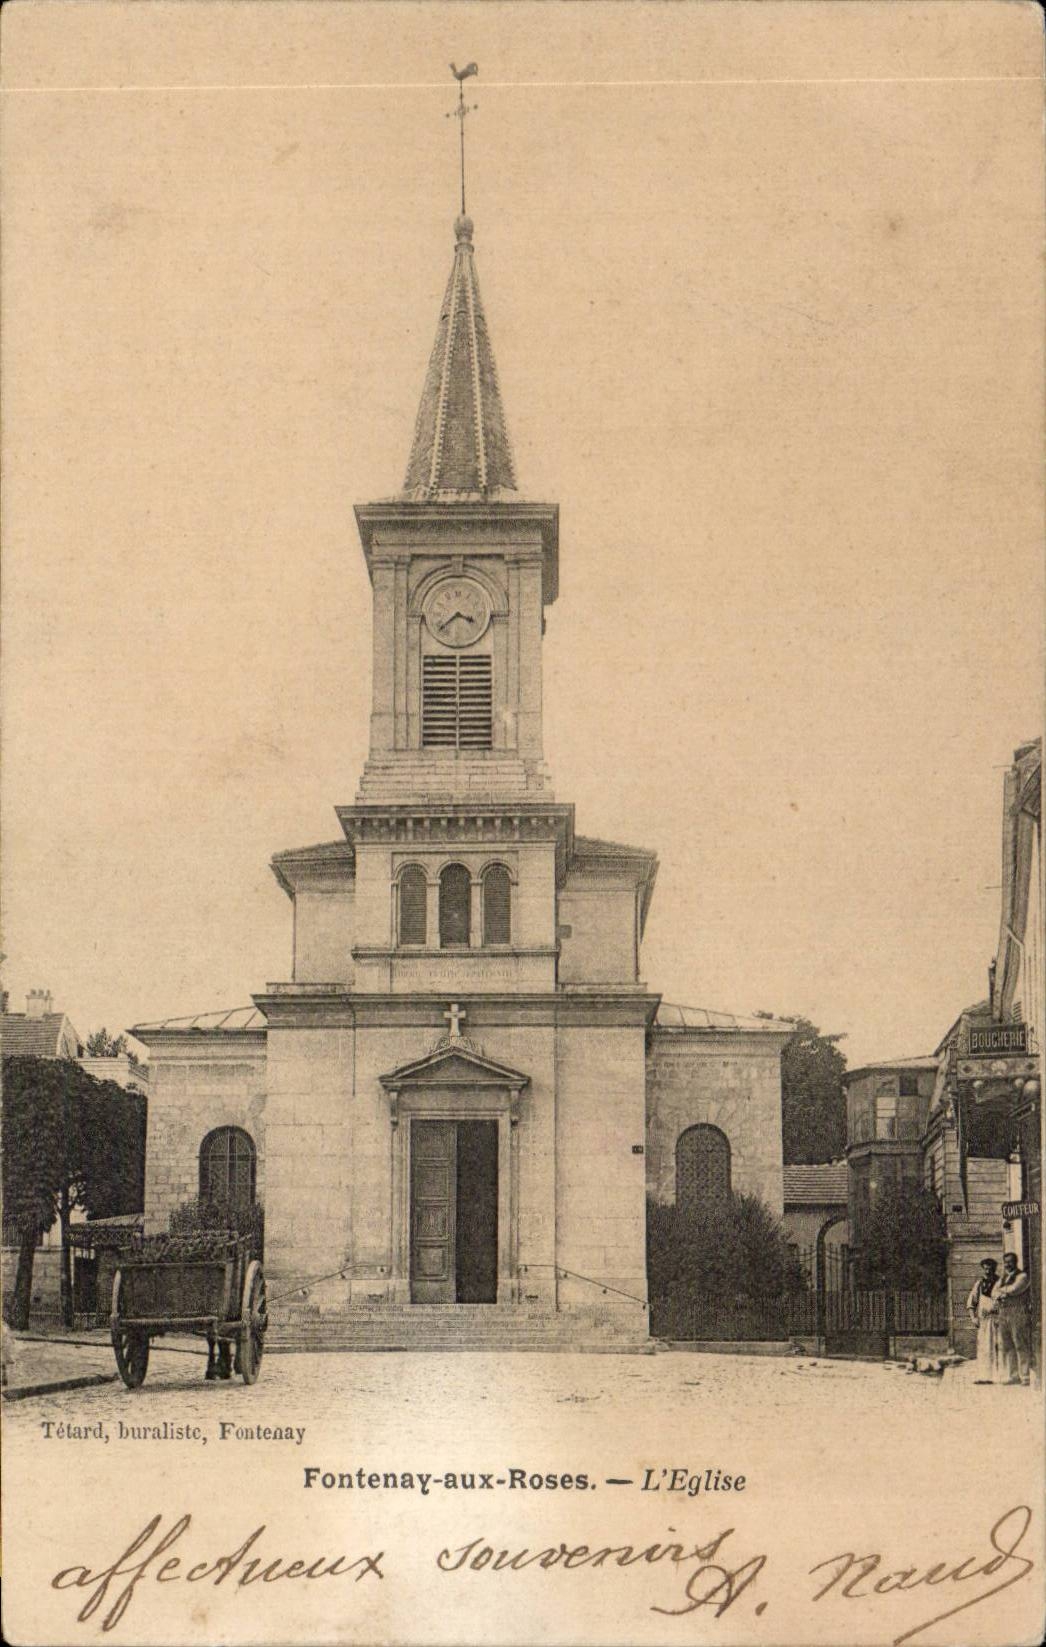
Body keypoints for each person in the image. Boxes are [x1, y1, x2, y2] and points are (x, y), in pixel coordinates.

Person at [995, 1251, 1032, 1386]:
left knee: (1020, 1343)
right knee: (1007, 1345)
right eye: (1005, 1262)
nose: (1007, 1264)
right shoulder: (1003, 1278)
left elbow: (1015, 1289)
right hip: (1003, 1313)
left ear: (1015, 1262)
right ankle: (1013, 1375)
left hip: (1018, 1312)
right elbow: (993, 1292)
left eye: (1010, 1262)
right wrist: (1002, 1292)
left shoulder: (1022, 1276)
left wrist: (1002, 1292)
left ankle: (1025, 1376)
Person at [966, 1257, 1002, 1383]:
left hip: (998, 1320)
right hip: (984, 1322)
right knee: (984, 1348)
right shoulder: (979, 1284)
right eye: (985, 1269)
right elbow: (971, 1303)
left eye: (990, 1269)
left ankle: (998, 1377)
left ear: (994, 1269)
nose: (987, 1271)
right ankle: (984, 1376)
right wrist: (973, 1318)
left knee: (999, 1347)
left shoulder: (1001, 1283)